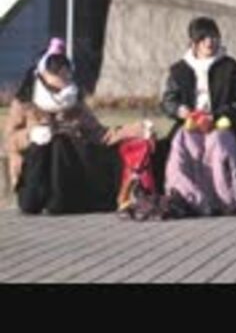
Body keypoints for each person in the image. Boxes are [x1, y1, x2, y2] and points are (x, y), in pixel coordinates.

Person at [4, 38, 147, 215]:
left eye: (65, 75)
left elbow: (100, 134)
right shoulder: (24, 103)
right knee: (50, 143)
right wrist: (32, 134)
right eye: (56, 76)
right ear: (42, 75)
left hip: (66, 170)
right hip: (34, 169)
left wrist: (134, 130)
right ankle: (40, 197)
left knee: (61, 142)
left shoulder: (75, 104)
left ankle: (60, 200)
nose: (63, 80)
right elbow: (8, 141)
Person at [159, 17, 236, 216]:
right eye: (204, 38)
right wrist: (180, 110)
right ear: (193, 42)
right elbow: (168, 101)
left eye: (213, 37)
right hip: (191, 125)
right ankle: (188, 199)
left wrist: (217, 116)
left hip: (223, 124)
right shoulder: (179, 70)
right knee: (181, 145)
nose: (209, 42)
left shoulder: (232, 68)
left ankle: (231, 201)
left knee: (219, 145)